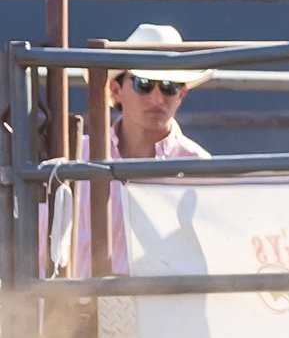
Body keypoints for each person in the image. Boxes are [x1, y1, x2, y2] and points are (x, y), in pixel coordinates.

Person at [54, 24, 212, 280]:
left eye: (170, 86)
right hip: (79, 311)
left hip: (164, 313)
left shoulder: (202, 168)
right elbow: (41, 245)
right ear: (116, 90)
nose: (158, 98)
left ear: (181, 94)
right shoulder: (76, 156)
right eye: (144, 84)